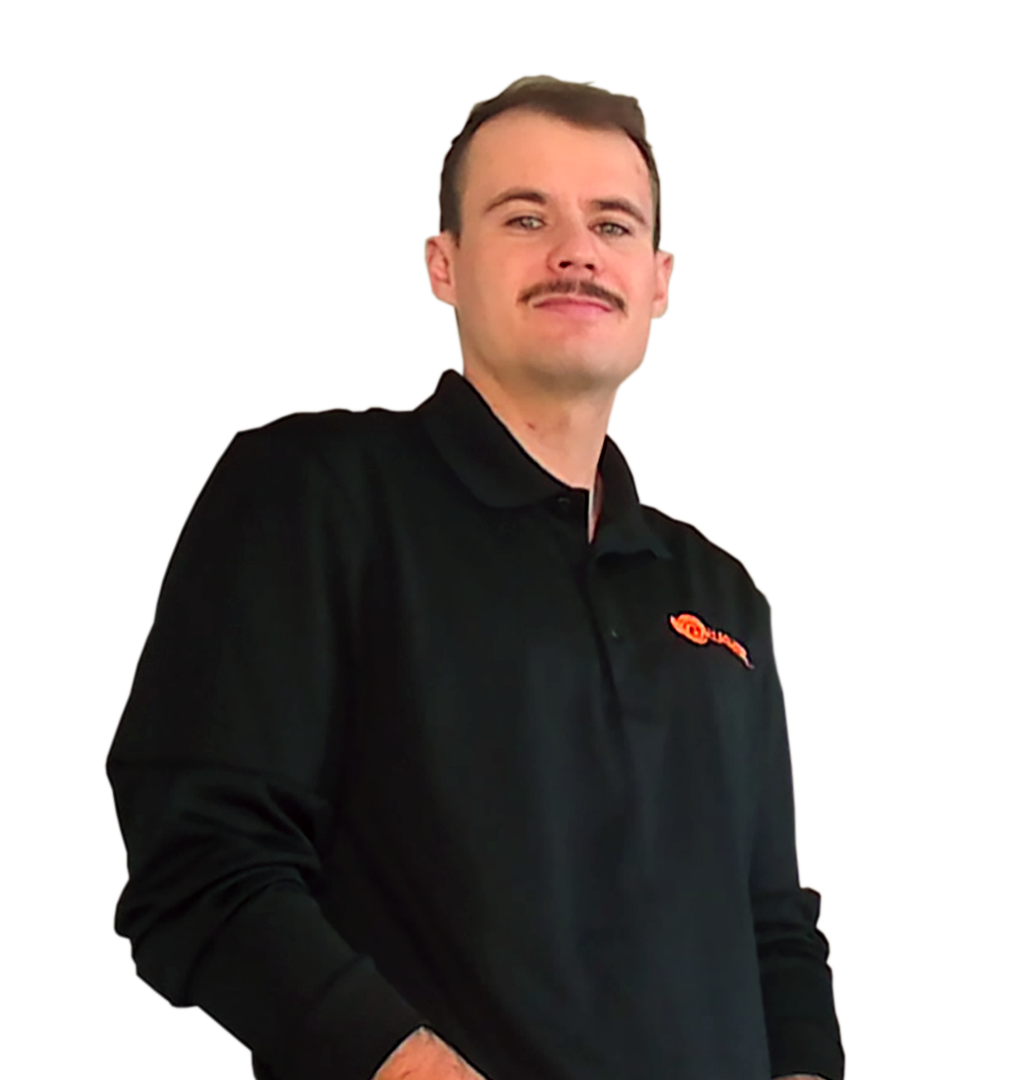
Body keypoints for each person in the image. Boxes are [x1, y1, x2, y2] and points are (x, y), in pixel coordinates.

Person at [106, 76, 845, 1080]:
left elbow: (776, 928)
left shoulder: (721, 595)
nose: (576, 250)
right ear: (444, 263)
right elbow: (199, 868)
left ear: (658, 281)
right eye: (525, 217)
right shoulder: (311, 494)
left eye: (613, 224)